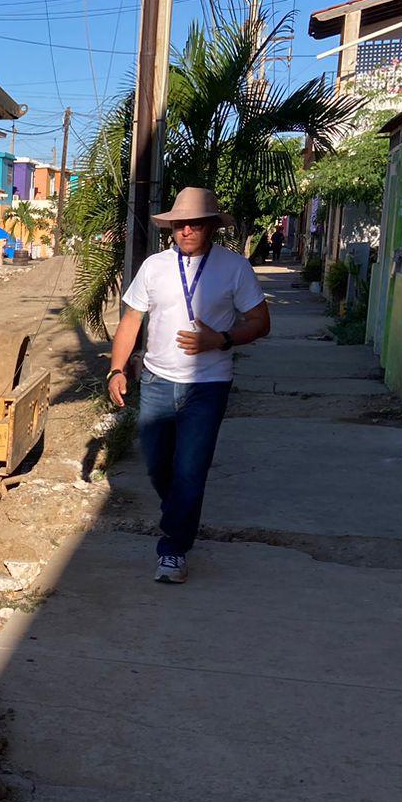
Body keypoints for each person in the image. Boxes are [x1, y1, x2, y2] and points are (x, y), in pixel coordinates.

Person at [108, 187, 271, 583]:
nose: (186, 231)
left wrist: (223, 339)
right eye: (180, 224)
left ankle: (173, 548)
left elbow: (260, 321)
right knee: (158, 466)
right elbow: (131, 320)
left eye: (195, 223)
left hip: (208, 385)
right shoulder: (154, 267)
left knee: (190, 470)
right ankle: (180, 516)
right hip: (158, 380)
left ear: (212, 227)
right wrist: (116, 370)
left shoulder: (234, 268)